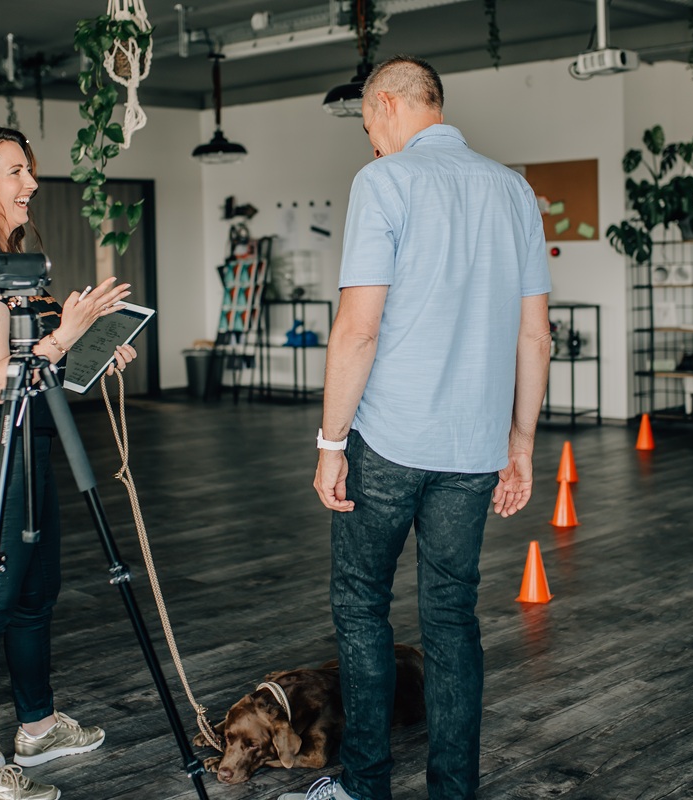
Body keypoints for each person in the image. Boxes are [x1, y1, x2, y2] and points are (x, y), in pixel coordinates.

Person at [284, 57, 551, 800]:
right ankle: (452, 791)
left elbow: (357, 330)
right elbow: (536, 337)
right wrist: (521, 444)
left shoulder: (385, 182)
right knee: (451, 617)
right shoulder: (512, 189)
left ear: (392, 105)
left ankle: (365, 789)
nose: (371, 143)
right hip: (473, 452)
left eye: (370, 126)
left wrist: (330, 443)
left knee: (363, 604)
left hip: (390, 443)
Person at [0, 127, 136, 800]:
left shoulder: (15, 263)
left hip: (28, 443)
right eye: (16, 172)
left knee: (36, 596)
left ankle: (37, 730)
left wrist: (89, 351)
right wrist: (65, 333)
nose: (31, 185)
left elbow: (39, 364)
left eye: (30, 171)